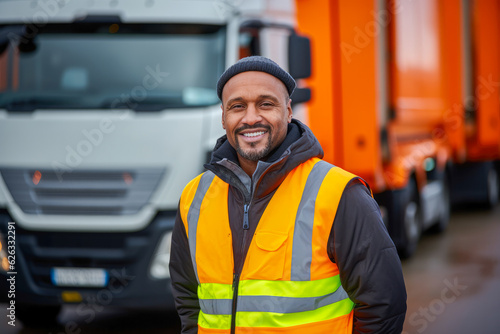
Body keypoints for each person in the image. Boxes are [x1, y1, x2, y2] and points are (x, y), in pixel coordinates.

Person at [169, 56, 407, 334]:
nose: (250, 118)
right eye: (237, 107)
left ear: (289, 111)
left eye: (265, 104)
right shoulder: (194, 196)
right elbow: (188, 299)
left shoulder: (339, 193)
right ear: (223, 117)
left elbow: (384, 304)